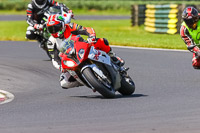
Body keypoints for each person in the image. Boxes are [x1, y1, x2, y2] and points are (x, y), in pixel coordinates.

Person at [46, 14, 124, 89]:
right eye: (51, 29)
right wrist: (60, 67)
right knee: (64, 83)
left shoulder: (70, 26)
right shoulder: (51, 42)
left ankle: (113, 57)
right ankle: (83, 80)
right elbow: (54, 58)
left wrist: (91, 36)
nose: (54, 31)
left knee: (100, 41)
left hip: (82, 48)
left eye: (56, 28)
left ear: (62, 24)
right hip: (70, 58)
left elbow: (86, 30)